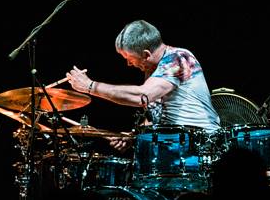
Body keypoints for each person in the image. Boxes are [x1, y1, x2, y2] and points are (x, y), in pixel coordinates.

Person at [66, 19, 221, 150]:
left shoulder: (178, 58)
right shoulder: (154, 71)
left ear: (146, 54)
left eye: (130, 58)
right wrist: (134, 136)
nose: (128, 64)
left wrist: (90, 86)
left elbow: (142, 96)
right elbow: (156, 117)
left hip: (201, 145)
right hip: (175, 145)